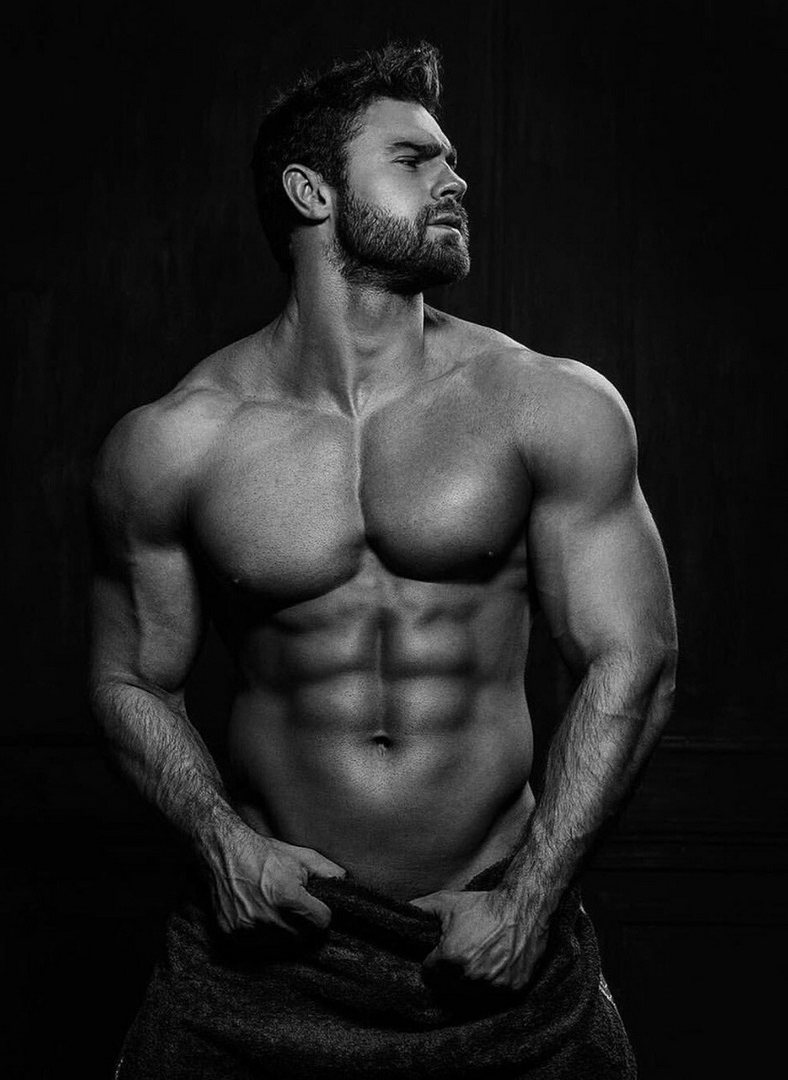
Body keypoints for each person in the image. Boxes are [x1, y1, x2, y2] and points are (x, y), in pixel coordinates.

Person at [89, 40, 676, 1079]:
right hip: (269, 941)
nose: (455, 180)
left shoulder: (544, 403)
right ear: (310, 192)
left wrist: (530, 898)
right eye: (413, 159)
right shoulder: (176, 442)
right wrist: (221, 842)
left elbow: (635, 657)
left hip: (497, 934)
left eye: (451, 160)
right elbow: (130, 675)